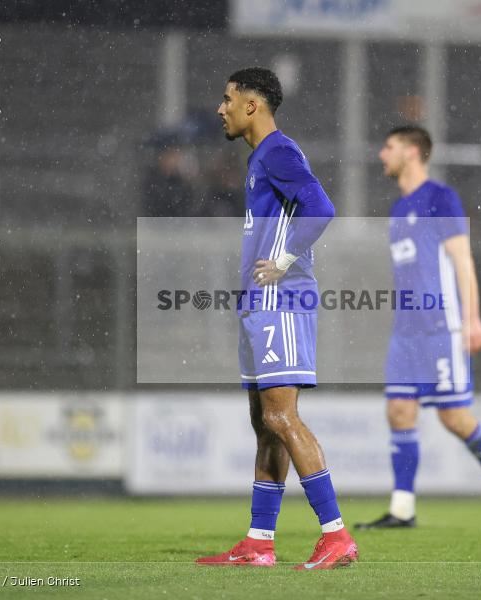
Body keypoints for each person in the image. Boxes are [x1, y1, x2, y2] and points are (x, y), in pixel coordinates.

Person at [196, 67, 357, 570]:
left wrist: (285, 258)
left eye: (227, 99)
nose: (220, 108)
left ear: (252, 105)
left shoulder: (279, 151)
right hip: (258, 303)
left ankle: (336, 536)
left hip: (282, 300)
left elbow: (321, 206)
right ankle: (259, 542)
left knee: (282, 417)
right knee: (265, 423)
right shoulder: (261, 158)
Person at [356, 126, 481, 531]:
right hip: (406, 332)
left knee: (455, 418)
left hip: (440, 328)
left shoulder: (441, 199)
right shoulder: (398, 209)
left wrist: (472, 318)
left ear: (413, 152)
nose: (383, 154)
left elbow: (462, 262)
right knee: (398, 411)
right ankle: (402, 510)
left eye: (389, 146)